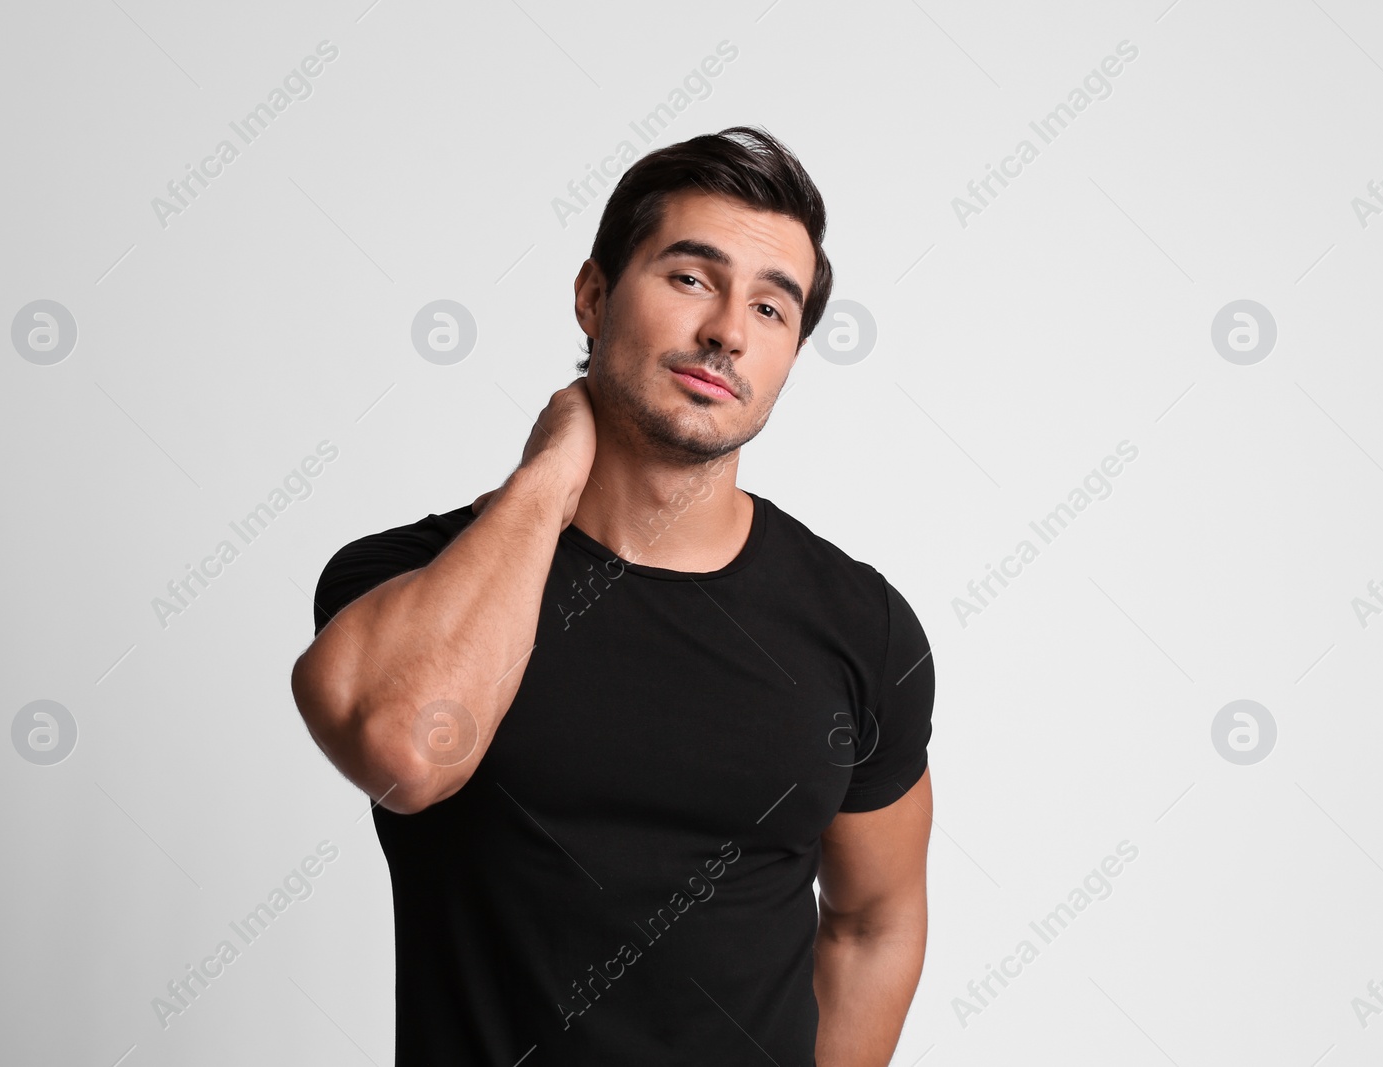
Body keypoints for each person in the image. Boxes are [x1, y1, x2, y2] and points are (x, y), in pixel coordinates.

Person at [290, 126, 936, 1066]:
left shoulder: (858, 625)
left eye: (770, 307)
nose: (726, 330)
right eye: (689, 278)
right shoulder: (404, 581)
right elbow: (407, 753)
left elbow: (876, 922)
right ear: (592, 296)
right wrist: (550, 474)